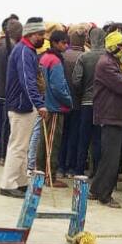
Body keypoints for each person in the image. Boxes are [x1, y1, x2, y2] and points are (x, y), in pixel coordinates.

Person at [0, 18, 47, 198]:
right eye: (40, 34)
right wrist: (39, 103)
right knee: (18, 146)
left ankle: (20, 182)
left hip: (22, 103)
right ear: (31, 34)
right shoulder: (25, 52)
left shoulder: (25, 50)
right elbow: (28, 80)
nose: (43, 37)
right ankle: (8, 183)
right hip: (21, 105)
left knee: (21, 145)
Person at [89, 31, 122, 208]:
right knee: (111, 158)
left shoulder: (114, 61)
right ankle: (105, 195)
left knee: (109, 156)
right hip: (111, 114)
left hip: (114, 114)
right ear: (114, 46)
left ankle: (95, 189)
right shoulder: (107, 64)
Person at [36, 31, 72, 187]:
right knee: (52, 142)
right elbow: (58, 86)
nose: (66, 46)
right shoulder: (55, 61)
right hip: (55, 107)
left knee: (43, 142)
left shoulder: (44, 57)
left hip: (45, 104)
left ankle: (40, 173)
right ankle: (50, 176)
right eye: (63, 43)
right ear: (55, 43)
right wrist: (69, 101)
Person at [71, 27, 105, 176]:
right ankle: (96, 171)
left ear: (89, 40)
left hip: (86, 102)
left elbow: (76, 80)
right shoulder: (109, 58)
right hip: (103, 104)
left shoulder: (84, 58)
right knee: (98, 140)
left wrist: (82, 92)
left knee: (83, 139)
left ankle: (79, 170)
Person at [0, 18, 23, 165]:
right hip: (9, 90)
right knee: (7, 125)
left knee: (0, 122)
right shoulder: (16, 48)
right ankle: (3, 155)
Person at [58, 25, 86, 177]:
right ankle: (70, 167)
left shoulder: (62, 55)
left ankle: (60, 166)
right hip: (78, 102)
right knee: (74, 136)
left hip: (62, 102)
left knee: (62, 135)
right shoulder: (84, 57)